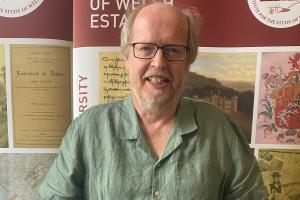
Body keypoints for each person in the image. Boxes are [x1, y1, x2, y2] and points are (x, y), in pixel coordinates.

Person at [39, 1, 268, 199]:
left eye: (173, 50)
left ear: (189, 60)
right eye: (146, 48)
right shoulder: (87, 130)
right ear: (127, 56)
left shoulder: (220, 129)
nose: (159, 62)